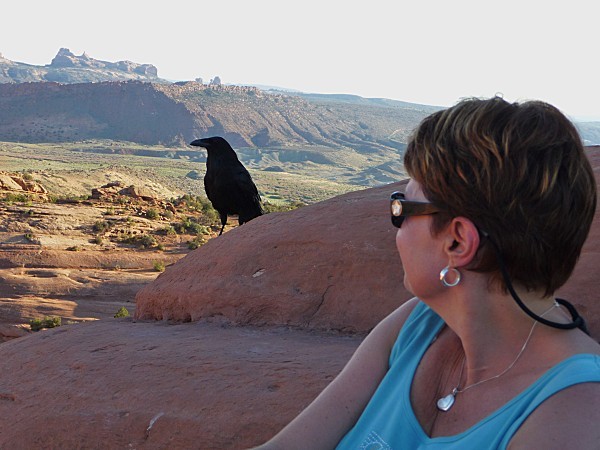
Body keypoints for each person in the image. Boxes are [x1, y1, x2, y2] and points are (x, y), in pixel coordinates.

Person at [254, 97, 600, 449]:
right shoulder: (416, 326)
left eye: (402, 208)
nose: (397, 227)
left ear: (458, 242)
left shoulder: (575, 415)